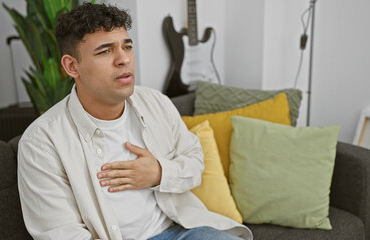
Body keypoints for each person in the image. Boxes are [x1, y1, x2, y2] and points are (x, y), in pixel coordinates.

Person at [17, 3, 252, 240]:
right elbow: (62, 234)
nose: (123, 60)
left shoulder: (155, 102)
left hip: (185, 231)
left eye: (127, 47)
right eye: (105, 51)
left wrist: (160, 173)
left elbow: (195, 163)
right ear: (71, 66)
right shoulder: (42, 143)